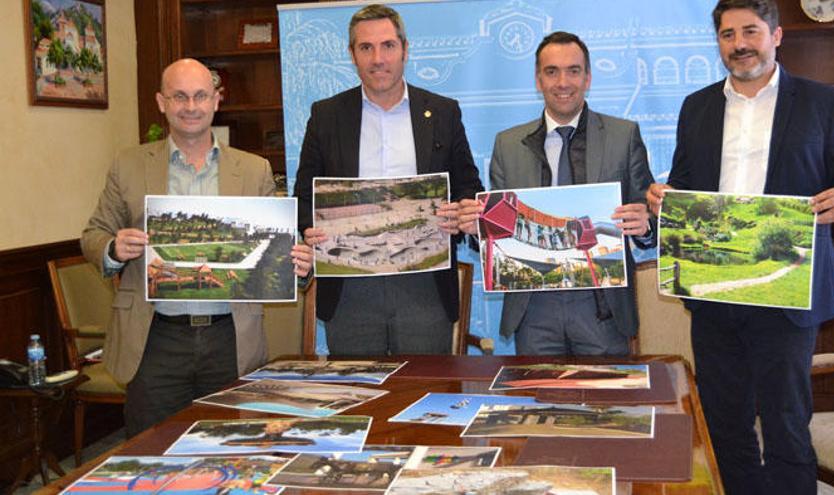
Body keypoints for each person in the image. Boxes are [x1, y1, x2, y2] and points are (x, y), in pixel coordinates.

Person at [646, 1, 834, 493]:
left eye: (750, 31)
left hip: (786, 289)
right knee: (725, 425)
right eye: (727, 35)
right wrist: (664, 198)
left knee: (787, 423)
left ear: (777, 35)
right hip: (714, 288)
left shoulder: (821, 101)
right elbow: (685, 183)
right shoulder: (697, 106)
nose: (739, 44)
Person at [81, 58, 314, 437]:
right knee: (152, 450)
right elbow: (93, 234)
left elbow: (279, 253)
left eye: (201, 96)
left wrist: (299, 264)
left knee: (235, 446)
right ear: (161, 102)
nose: (191, 107)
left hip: (231, 338)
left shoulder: (254, 169)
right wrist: (112, 247)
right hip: (155, 338)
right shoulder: (128, 164)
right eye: (180, 97)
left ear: (217, 100)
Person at [294, 4, 483, 355]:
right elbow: (305, 196)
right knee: (359, 396)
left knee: (424, 395)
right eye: (366, 48)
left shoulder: (442, 112)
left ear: (405, 49)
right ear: (352, 54)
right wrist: (309, 228)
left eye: (388, 46)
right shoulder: (326, 116)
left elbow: (469, 186)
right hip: (350, 287)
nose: (378, 58)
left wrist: (463, 212)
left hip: (424, 283)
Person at [459, 32, 655, 356]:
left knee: (606, 404)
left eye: (573, 71)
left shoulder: (624, 136)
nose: (563, 82)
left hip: (601, 307)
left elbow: (648, 217)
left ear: (588, 77)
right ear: (538, 80)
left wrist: (645, 223)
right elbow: (499, 230)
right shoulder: (507, 145)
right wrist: (476, 228)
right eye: (551, 72)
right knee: (538, 404)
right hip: (534, 307)